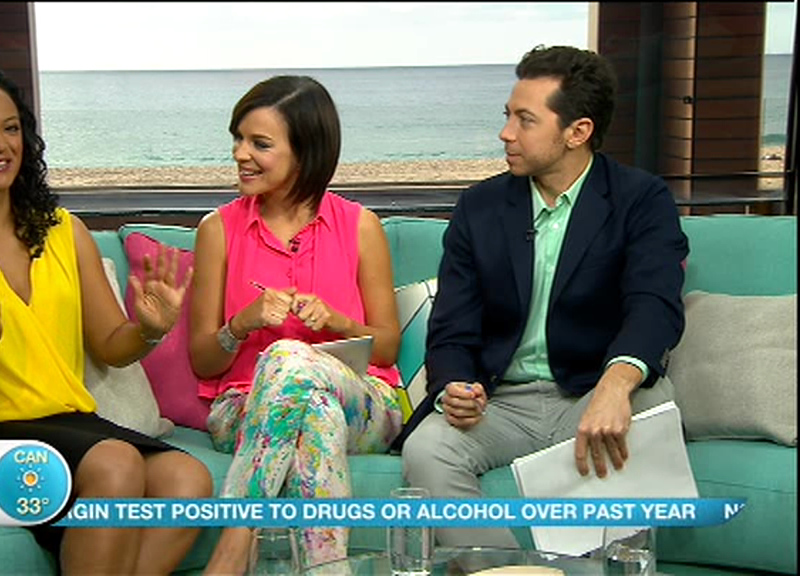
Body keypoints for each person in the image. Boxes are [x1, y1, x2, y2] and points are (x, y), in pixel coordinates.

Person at [0, 67, 213, 574]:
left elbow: (110, 344)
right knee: (114, 463)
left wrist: (150, 329)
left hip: (62, 422)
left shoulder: (64, 231)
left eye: (11, 128)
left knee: (187, 481)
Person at [397, 45, 690, 549]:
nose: (506, 133)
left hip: (592, 389)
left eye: (525, 120)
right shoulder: (479, 207)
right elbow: (451, 325)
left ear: (578, 131)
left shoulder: (641, 199)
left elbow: (654, 302)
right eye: (507, 116)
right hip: (501, 403)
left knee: (649, 412)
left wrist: (617, 384)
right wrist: (455, 386)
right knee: (426, 449)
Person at [189, 75, 403, 573]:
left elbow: (387, 348)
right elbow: (203, 359)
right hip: (244, 408)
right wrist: (240, 324)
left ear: (305, 154)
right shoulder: (218, 229)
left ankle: (235, 541)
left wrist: (338, 321)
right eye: (238, 139)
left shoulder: (360, 226)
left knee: (289, 359)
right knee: (314, 412)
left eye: (259, 144)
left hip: (361, 402)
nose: (240, 154)